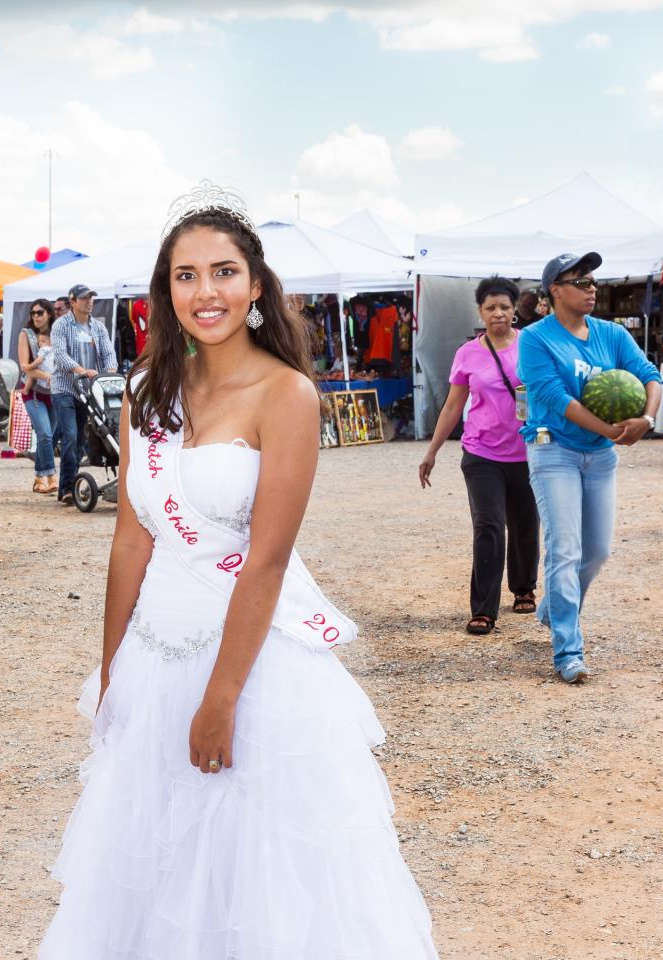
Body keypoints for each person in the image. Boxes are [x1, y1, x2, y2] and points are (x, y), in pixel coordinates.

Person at [38, 184, 439, 959]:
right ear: (167, 293)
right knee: (154, 867)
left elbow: (267, 559)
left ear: (256, 284)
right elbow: (130, 539)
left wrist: (221, 699)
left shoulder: (286, 394)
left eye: (222, 272)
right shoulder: (151, 393)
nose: (204, 292)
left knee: (258, 877)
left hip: (256, 673)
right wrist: (112, 668)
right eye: (185, 276)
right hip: (154, 661)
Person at [517, 253, 662, 684]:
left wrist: (647, 420)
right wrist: (616, 430)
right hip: (553, 450)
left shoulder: (611, 334)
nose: (591, 288)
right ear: (554, 291)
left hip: (599, 455)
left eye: (593, 281)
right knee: (565, 550)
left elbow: (650, 375)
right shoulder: (535, 339)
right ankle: (568, 651)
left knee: (596, 551)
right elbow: (556, 397)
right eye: (579, 281)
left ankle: (552, 608)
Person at [419, 276, 540, 635]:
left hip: (526, 450)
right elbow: (453, 404)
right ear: (480, 312)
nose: (498, 313)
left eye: (504, 306)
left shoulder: (531, 346)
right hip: (481, 452)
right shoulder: (468, 353)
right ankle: (484, 609)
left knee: (524, 523)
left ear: (515, 309)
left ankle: (524, 588)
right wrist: (432, 450)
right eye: (491, 307)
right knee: (487, 526)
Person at [50, 283, 117, 504]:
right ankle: (66, 489)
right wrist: (81, 371)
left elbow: (108, 353)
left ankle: (72, 483)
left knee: (80, 440)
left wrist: (110, 372)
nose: (89, 302)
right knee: (69, 436)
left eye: (91, 298)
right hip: (66, 389)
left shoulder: (98, 327)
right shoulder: (61, 325)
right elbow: (60, 354)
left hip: (90, 391)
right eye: (84, 298)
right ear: (73, 301)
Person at [18, 298, 58, 494]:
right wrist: (47, 376)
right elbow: (25, 368)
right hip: (33, 393)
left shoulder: (57, 334)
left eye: (39, 312)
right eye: (33, 313)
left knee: (48, 438)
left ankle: (38, 478)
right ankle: (51, 477)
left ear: (49, 314)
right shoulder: (26, 335)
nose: (35, 316)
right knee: (44, 434)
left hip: (56, 393)